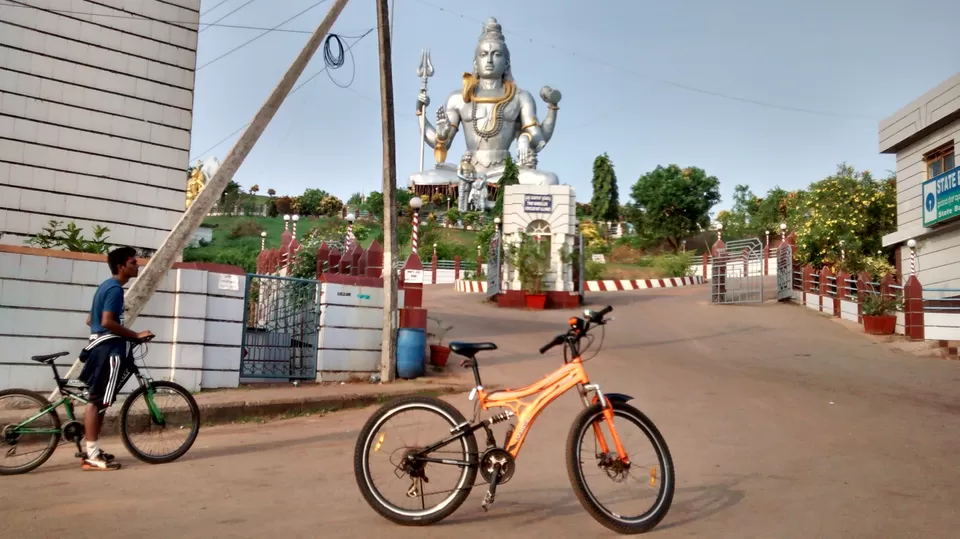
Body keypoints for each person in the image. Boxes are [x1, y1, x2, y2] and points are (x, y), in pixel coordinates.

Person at [77, 246, 153, 471]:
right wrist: (135, 335)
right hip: (108, 351)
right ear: (121, 266)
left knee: (98, 401)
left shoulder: (106, 286)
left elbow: (91, 319)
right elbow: (107, 321)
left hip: (102, 348)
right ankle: (91, 455)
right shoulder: (114, 290)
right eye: (132, 262)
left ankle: (93, 450)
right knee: (96, 401)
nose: (137, 265)